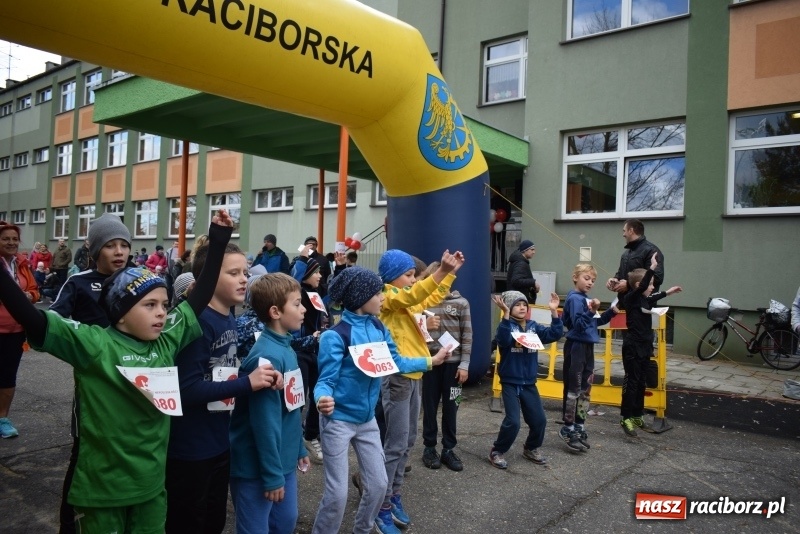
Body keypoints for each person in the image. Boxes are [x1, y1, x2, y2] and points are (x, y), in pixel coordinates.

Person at [0, 211, 234, 533]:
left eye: (165, 305)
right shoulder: (94, 344)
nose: (162, 314)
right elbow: (34, 318)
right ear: (121, 314)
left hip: (152, 491)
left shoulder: (165, 343)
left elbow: (198, 299)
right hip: (101, 496)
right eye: (149, 305)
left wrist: (219, 241)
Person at [311, 266, 451, 534]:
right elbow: (324, 382)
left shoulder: (378, 327)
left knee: (377, 485)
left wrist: (430, 361)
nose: (383, 298)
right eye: (377, 293)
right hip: (337, 421)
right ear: (361, 297)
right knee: (337, 494)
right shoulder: (334, 336)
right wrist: (322, 399)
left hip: (367, 422)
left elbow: (395, 362)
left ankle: (362, 529)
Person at [166, 242, 281, 534]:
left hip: (218, 441)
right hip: (190, 449)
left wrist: (259, 375)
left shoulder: (227, 315)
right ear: (207, 280)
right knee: (190, 523)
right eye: (234, 273)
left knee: (214, 522)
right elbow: (185, 389)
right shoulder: (198, 322)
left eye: (245, 271)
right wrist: (247, 383)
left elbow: (219, 370)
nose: (244, 278)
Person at [48, 212, 133, 534]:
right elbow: (54, 320)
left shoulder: (136, 278)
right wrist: (86, 339)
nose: (119, 252)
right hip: (94, 382)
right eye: (111, 245)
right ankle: (70, 524)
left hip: (134, 379)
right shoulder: (78, 282)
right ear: (96, 250)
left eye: (123, 244)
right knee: (83, 451)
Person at [373, 248, 464, 534]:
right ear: (391, 277)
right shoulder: (387, 298)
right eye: (409, 274)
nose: (414, 280)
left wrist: (448, 275)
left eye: (415, 275)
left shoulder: (405, 299)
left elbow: (429, 297)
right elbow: (414, 295)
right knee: (396, 443)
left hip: (414, 375)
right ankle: (381, 506)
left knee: (408, 440)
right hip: (398, 376)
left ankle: (393, 495)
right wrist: (440, 272)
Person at [229, 273, 309, 534]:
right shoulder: (266, 357)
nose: (303, 309)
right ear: (275, 311)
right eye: (297, 304)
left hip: (281, 462)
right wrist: (272, 475)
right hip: (257, 468)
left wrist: (298, 448)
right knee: (256, 528)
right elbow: (265, 424)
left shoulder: (285, 347)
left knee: (285, 522)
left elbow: (292, 406)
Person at [489, 290, 563, 469]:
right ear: (508, 307)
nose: (522, 308)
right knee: (513, 421)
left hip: (529, 382)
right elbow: (504, 341)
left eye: (524, 304)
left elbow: (554, 334)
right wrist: (505, 316)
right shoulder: (505, 326)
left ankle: (531, 448)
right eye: (517, 305)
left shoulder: (533, 326)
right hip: (510, 382)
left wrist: (554, 312)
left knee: (539, 420)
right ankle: (497, 451)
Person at [620, 254, 681, 436]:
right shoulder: (631, 298)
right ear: (640, 285)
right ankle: (626, 417)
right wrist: (652, 267)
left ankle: (638, 415)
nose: (653, 286)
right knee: (632, 383)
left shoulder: (645, 299)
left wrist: (668, 292)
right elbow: (645, 287)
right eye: (650, 283)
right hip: (632, 346)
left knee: (641, 383)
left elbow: (654, 296)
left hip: (645, 346)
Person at [420, 261, 473, 472]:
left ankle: (449, 449)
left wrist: (465, 364)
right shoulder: (422, 303)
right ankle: (429, 447)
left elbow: (467, 335)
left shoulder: (461, 303)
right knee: (430, 407)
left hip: (454, 367)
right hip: (430, 365)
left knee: (452, 408)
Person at [559, 263, 618, 452]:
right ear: (575, 277)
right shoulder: (575, 299)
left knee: (585, 388)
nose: (590, 282)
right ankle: (568, 428)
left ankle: (579, 426)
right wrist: (591, 310)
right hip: (576, 347)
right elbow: (578, 325)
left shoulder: (586, 299)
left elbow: (595, 322)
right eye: (586, 278)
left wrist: (610, 312)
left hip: (587, 347)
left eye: (593, 280)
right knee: (574, 389)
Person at [0, 221, 39, 439]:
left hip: (16, 330)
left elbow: (35, 291)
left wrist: (28, 296)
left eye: (14, 239)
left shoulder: (22, 264)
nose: (11, 242)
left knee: (7, 376)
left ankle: (2, 418)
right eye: (5, 238)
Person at [290, 250, 327, 464]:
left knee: (317, 395)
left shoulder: (317, 293)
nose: (320, 275)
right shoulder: (296, 290)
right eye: (317, 272)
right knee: (297, 398)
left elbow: (333, 299)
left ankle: (310, 435)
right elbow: (293, 278)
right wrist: (303, 260)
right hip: (299, 350)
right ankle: (294, 441)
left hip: (316, 350)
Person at [606, 219, 664, 303]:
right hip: (627, 304)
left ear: (631, 231)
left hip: (643, 306)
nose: (623, 234)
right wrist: (615, 279)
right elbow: (622, 273)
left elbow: (657, 278)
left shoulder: (651, 251)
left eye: (624, 231)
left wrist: (628, 285)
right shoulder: (626, 253)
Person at [506, 240, 539, 304]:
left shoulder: (518, 261)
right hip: (519, 301)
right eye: (532, 250)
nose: (534, 252)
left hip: (517, 300)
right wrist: (533, 283)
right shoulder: (521, 263)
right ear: (524, 250)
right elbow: (516, 281)